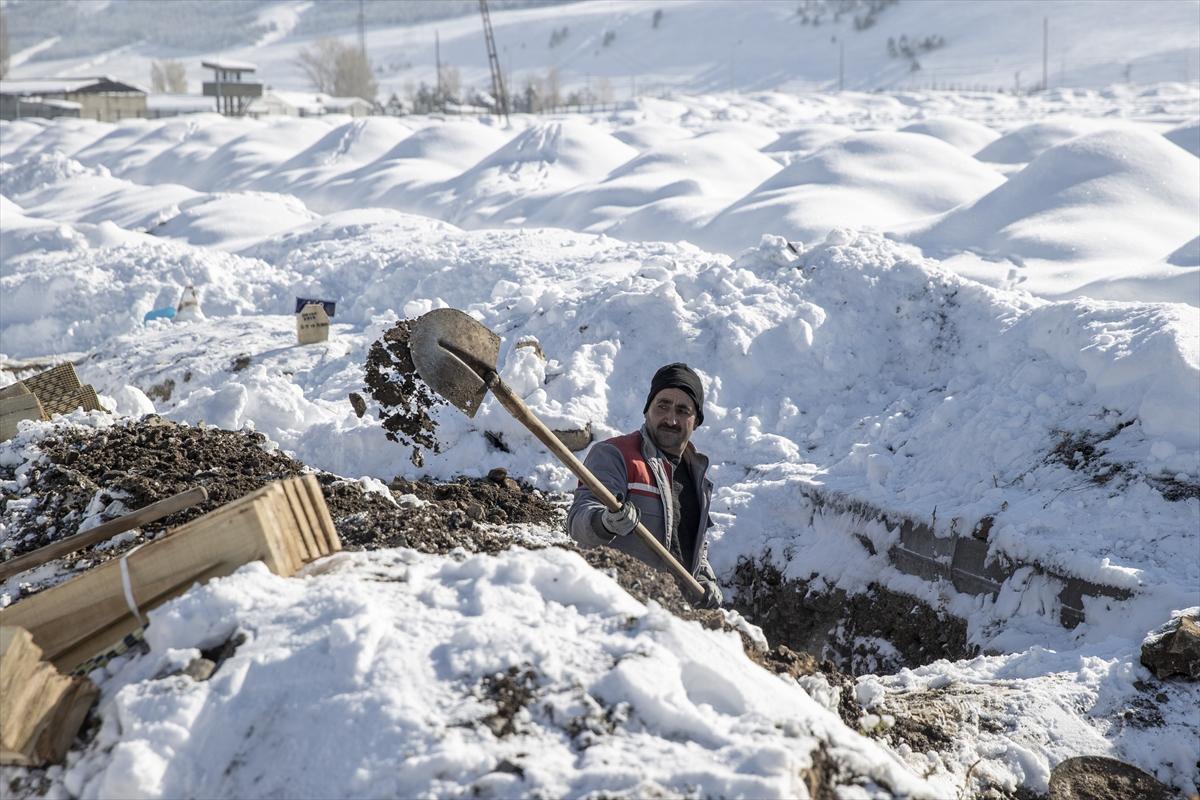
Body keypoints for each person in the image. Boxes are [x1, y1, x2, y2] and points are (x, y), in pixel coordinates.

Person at [567, 363, 723, 609]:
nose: (671, 418)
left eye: (683, 410)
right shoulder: (615, 454)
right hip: (616, 607)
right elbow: (578, 521)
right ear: (647, 409)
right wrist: (604, 522)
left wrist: (705, 577)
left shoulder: (697, 478)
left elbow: (689, 547)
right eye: (663, 405)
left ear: (696, 421)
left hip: (671, 616)